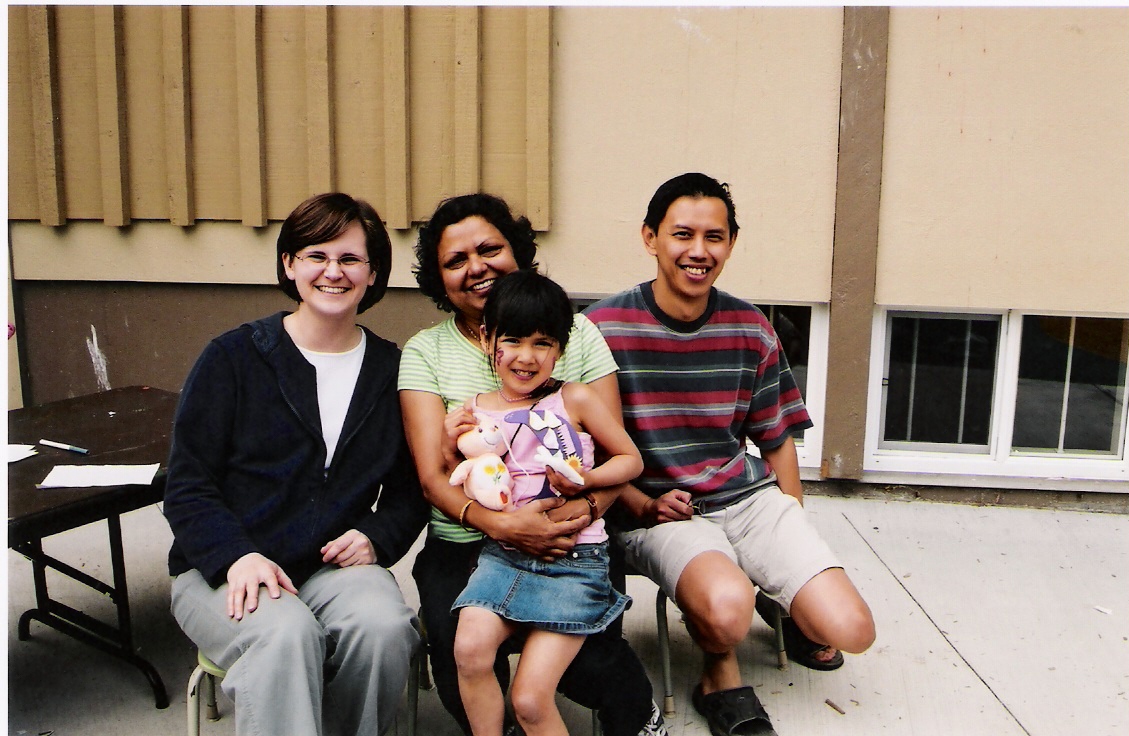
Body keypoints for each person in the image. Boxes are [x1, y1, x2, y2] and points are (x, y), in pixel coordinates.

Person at [585, 173, 876, 736]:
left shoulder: (750, 327)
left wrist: (790, 522)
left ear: (731, 243)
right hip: (661, 508)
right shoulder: (602, 328)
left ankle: (780, 605)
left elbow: (776, 437)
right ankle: (720, 673)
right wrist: (639, 503)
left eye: (714, 237)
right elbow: (584, 451)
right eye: (682, 234)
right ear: (650, 238)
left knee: (851, 629)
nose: (699, 252)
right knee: (725, 610)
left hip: (746, 498)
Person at [398, 193, 666, 736]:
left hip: (570, 534)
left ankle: (638, 716)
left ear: (517, 250)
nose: (476, 267)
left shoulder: (578, 333)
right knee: (461, 656)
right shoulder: (425, 352)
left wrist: (580, 508)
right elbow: (434, 475)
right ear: (440, 278)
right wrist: (503, 525)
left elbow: (613, 454)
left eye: (489, 248)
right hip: (467, 538)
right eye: (456, 260)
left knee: (589, 663)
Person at [164, 192, 430, 736]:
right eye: (316, 255)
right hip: (224, 570)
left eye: (351, 259)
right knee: (284, 634)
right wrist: (235, 555)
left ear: (373, 272)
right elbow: (187, 484)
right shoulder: (235, 357)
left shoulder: (390, 370)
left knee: (384, 626)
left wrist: (378, 535)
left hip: (330, 570)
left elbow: (411, 490)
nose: (333, 272)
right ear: (289, 263)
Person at [452, 270, 643, 736]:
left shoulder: (573, 397)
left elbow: (631, 459)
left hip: (574, 561)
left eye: (542, 343)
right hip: (503, 558)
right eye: (512, 340)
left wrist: (586, 480)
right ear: (487, 339)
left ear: (560, 348)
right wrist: (446, 438)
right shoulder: (475, 410)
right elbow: (454, 479)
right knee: (469, 649)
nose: (526, 356)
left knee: (531, 700)